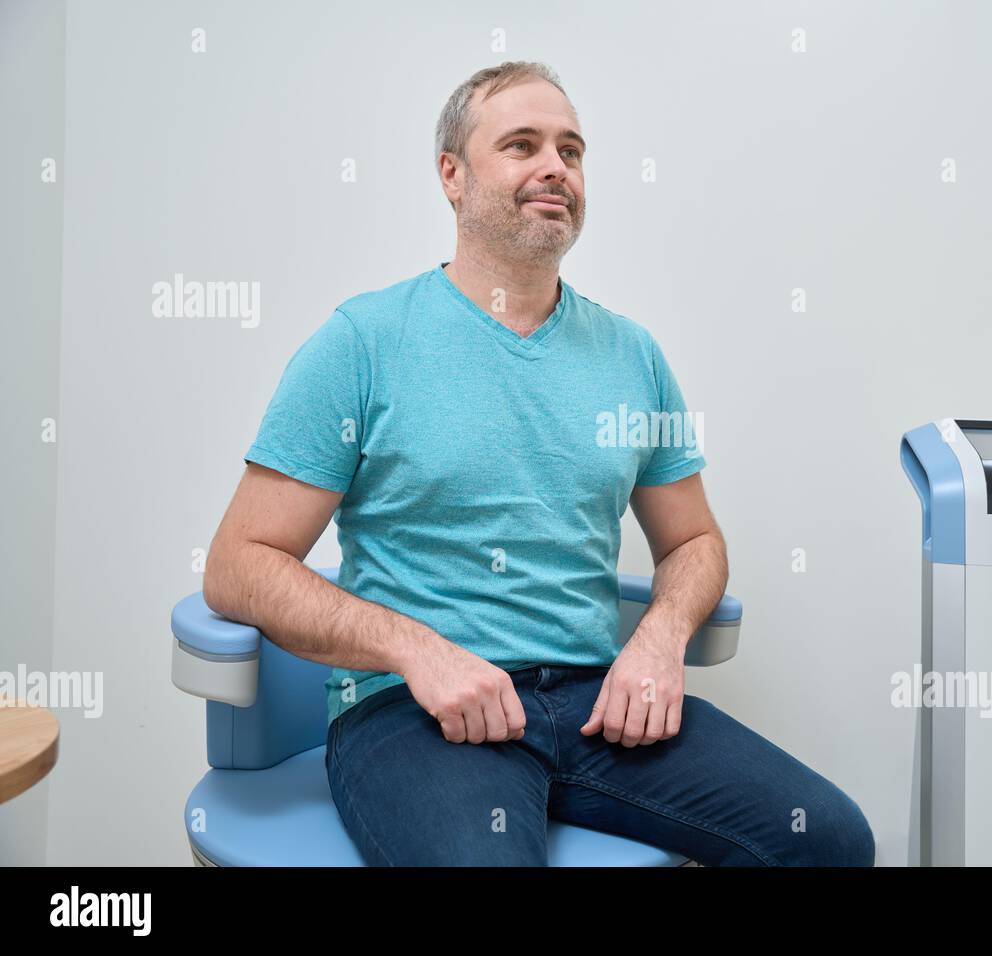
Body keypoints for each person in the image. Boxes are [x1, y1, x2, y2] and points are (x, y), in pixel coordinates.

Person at [203, 61, 875, 866]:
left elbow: (695, 541)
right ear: (452, 175)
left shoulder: (632, 356)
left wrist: (658, 640)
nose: (555, 167)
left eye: (571, 150)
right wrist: (421, 651)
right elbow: (239, 565)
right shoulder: (363, 344)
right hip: (417, 716)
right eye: (521, 145)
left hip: (596, 705)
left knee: (830, 840)